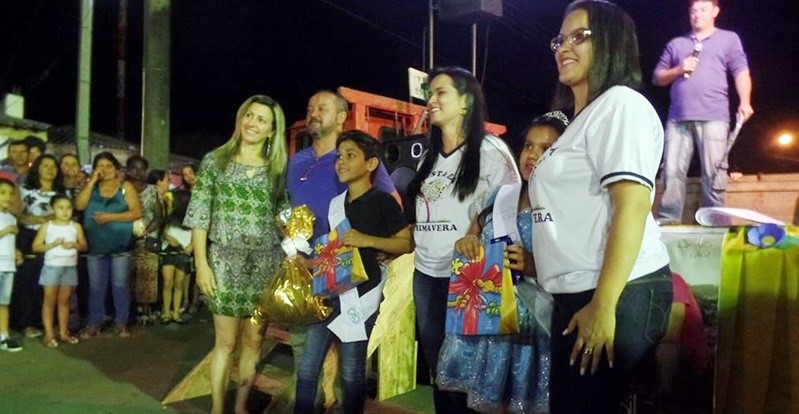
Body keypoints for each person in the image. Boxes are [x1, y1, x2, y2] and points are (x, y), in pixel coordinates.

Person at [532, 2, 673, 412]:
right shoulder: (581, 120)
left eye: (580, 36)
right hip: (580, 292)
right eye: (561, 39)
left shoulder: (620, 105)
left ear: (612, 42)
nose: (565, 47)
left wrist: (604, 304)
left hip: (616, 289)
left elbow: (632, 205)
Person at [437, 112, 567, 413]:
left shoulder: (565, 204)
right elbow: (472, 237)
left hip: (531, 327)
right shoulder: (500, 195)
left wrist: (535, 267)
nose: (532, 155)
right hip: (488, 320)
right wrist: (467, 243)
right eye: (529, 146)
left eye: (546, 149)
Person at [407, 66, 520, 412]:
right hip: (426, 274)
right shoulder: (427, 158)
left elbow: (509, 211)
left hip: (470, 276)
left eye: (441, 92)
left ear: (467, 101)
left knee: (469, 372)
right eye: (430, 93)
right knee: (438, 368)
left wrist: (477, 234)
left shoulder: (491, 151)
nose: (432, 100)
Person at [286, 90, 400, 410]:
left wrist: (378, 245)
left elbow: (391, 206)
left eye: (321, 107)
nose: (313, 112)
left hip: (351, 278)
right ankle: (319, 402)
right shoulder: (297, 162)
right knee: (305, 360)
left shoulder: (356, 159)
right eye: (309, 107)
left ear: (340, 117)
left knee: (350, 367)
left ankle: (335, 400)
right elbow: (288, 209)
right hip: (308, 274)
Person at [185, 94, 289, 414]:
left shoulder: (277, 170)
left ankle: (241, 406)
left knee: (254, 342)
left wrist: (298, 233)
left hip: (265, 266)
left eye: (261, 120)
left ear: (272, 130)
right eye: (249, 115)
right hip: (224, 265)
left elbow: (283, 215)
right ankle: (218, 408)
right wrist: (201, 263)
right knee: (225, 343)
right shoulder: (215, 161)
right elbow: (199, 214)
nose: (252, 123)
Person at [654, 0, 754, 224]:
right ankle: (669, 220)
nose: (697, 14)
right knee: (671, 172)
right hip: (678, 117)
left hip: (714, 116)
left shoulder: (728, 39)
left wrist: (745, 101)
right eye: (693, 10)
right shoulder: (677, 43)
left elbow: (740, 71)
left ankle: (715, 222)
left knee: (714, 173)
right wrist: (679, 69)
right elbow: (658, 77)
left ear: (715, 11)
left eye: (703, 9)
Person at [74, 152, 142, 339]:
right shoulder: (92, 188)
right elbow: (79, 206)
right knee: (96, 287)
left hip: (121, 248)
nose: (104, 169)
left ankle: (121, 323)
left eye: (109, 165)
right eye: (100, 166)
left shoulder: (125, 187)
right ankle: (94, 323)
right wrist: (91, 182)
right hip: (96, 248)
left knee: (120, 285)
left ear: (116, 168)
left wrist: (109, 217)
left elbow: (136, 213)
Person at [11, 154, 66, 338]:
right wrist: (43, 219)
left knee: (51, 283)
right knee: (29, 282)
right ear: (37, 169)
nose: (50, 169)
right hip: (29, 238)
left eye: (53, 166)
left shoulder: (62, 193)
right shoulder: (25, 190)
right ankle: (27, 323)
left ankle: (47, 323)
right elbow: (19, 217)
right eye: (45, 166)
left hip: (55, 240)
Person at [32, 194, 87, 348]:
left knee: (65, 300)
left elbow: (84, 245)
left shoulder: (75, 226)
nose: (65, 211)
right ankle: (49, 334)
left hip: (70, 267)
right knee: (49, 301)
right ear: (52, 209)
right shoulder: (47, 226)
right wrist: (52, 245)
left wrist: (74, 245)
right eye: (60, 208)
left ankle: (63, 332)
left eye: (68, 208)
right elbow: (36, 246)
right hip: (52, 267)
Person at [126, 155, 163, 324]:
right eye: (134, 168)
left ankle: (147, 309)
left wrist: (145, 232)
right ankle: (132, 309)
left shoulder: (152, 191)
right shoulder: (122, 189)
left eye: (142, 169)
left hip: (148, 238)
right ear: (128, 170)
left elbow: (159, 216)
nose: (138, 172)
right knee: (129, 276)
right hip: (126, 238)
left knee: (148, 275)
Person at [161, 189, 193, 324]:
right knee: (167, 283)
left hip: (184, 252)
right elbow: (164, 232)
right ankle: (166, 313)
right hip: (169, 251)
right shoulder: (169, 215)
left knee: (179, 284)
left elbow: (197, 234)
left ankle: (176, 313)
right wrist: (168, 238)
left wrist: (191, 246)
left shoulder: (192, 217)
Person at [0, 178, 24, 352]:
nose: (7, 197)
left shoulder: (11, 218)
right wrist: (5, 231)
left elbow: (9, 243)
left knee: (4, 302)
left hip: (8, 266)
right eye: (2, 193)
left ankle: (4, 336)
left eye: (10, 194)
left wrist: (16, 252)